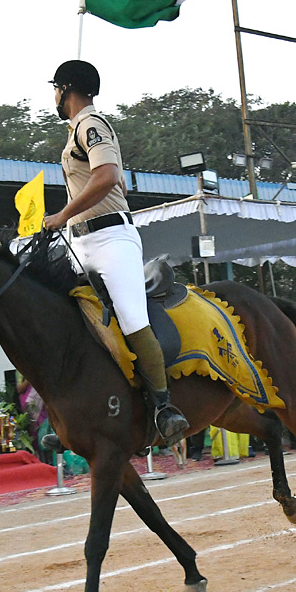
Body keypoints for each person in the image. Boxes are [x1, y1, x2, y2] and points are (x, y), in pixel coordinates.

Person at [42, 59, 188, 445]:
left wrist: (62, 214)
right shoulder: (75, 131)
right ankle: (72, 411)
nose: (54, 97)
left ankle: (163, 407)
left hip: (111, 240)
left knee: (131, 319)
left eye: (55, 88)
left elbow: (106, 177)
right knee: (58, 313)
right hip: (81, 241)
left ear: (67, 89)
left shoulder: (92, 125)